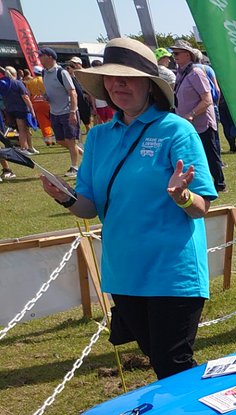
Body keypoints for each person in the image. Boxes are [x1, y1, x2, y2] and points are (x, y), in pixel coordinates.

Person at [38, 38, 216, 380]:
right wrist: (64, 197)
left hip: (171, 271)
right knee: (156, 358)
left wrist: (181, 196)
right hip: (124, 271)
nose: (119, 83)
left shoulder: (176, 130)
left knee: (173, 363)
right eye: (112, 77)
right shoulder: (99, 137)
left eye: (129, 77)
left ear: (149, 84)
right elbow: (89, 208)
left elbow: (200, 207)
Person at [171, 42, 225, 190]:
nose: (173, 56)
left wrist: (191, 114)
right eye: (173, 53)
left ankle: (220, 184)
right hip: (188, 123)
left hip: (202, 123)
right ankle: (202, 183)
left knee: (210, 154)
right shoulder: (181, 73)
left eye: (176, 53)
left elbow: (207, 99)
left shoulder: (196, 72)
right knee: (195, 155)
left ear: (187, 55)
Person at [38, 48, 83, 176]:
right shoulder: (44, 73)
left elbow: (72, 92)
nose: (39, 58)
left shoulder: (61, 72)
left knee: (70, 140)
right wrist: (46, 97)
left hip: (67, 111)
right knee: (59, 140)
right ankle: (83, 154)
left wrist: (73, 112)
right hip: (54, 111)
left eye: (41, 56)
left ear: (50, 57)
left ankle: (74, 167)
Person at [0, 66, 34, 153]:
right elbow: (25, 97)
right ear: (15, 73)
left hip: (10, 109)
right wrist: (32, 109)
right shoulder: (17, 83)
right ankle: (24, 148)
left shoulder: (4, 84)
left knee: (24, 129)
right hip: (21, 109)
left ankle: (29, 147)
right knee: (23, 129)